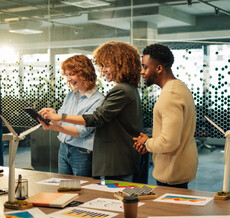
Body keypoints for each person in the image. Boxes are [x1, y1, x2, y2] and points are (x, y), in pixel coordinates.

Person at [40, 41, 142, 181]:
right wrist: (55, 118)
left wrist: (59, 118)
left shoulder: (120, 91)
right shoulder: (128, 89)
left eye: (107, 65)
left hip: (110, 157)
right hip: (74, 149)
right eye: (102, 66)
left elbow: (95, 119)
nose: (103, 70)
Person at [133, 43, 198, 189]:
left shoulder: (170, 95)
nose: (142, 72)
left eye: (145, 67)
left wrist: (147, 143)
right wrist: (150, 145)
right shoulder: (180, 88)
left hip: (172, 171)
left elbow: (169, 142)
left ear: (159, 68)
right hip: (178, 167)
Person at [39, 55, 104, 177]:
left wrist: (54, 126)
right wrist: (52, 115)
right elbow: (61, 121)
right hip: (64, 149)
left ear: (85, 73)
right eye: (67, 75)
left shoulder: (98, 100)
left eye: (72, 74)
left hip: (82, 153)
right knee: (64, 188)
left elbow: (81, 132)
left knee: (84, 192)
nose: (68, 79)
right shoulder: (70, 95)